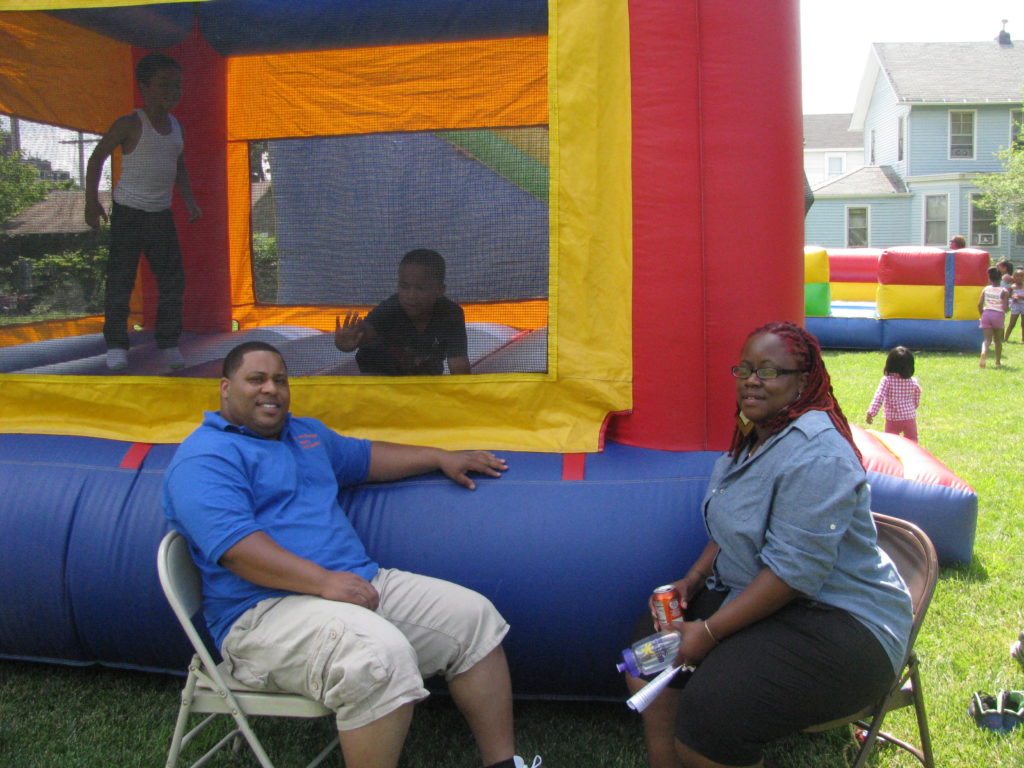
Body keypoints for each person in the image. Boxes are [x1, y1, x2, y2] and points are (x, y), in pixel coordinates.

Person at [162, 341, 539, 768]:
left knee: (473, 618)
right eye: (257, 379)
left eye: (280, 380)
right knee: (376, 656)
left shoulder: (305, 435)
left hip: (353, 586)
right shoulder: (204, 457)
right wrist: (324, 582)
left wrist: (439, 457)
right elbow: (236, 551)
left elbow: (366, 457)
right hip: (262, 614)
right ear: (226, 388)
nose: (272, 389)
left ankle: (504, 764)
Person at [623, 321, 913, 768]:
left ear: (804, 383)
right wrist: (693, 579)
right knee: (649, 649)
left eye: (771, 371)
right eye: (745, 369)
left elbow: (793, 573)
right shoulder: (757, 437)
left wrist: (710, 632)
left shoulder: (818, 455)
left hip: (841, 622)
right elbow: (733, 524)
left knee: (712, 714)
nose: (753, 380)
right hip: (772, 599)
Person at [85, 53, 201, 372]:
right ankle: (117, 344)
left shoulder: (177, 127)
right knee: (121, 281)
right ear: (144, 88)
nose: (172, 92)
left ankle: (168, 343)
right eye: (164, 85)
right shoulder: (130, 123)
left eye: (176, 86)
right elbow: (96, 159)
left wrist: (189, 200)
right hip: (129, 214)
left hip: (160, 215)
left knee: (172, 282)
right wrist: (91, 201)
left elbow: (178, 167)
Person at [334, 248, 471, 375]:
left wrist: (464, 394)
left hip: (423, 380)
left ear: (439, 290)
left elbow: (458, 363)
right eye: (404, 287)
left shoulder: (450, 314)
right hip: (381, 379)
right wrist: (346, 343)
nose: (410, 295)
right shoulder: (389, 310)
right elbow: (364, 332)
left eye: (420, 288)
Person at [865, 346, 921, 441]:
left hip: (893, 418)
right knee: (912, 440)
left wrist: (871, 412)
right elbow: (917, 395)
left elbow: (879, 397)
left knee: (890, 441)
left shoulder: (887, 381)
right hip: (910, 417)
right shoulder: (913, 381)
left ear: (889, 364)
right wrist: (912, 407)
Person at [978, 266, 1010, 368]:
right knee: (997, 341)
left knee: (987, 340)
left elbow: (979, 305)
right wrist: (1007, 309)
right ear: (1000, 278)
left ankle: (984, 352)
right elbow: (1005, 307)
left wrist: (982, 314)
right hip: (998, 315)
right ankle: (997, 362)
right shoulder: (1004, 291)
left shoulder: (986, 289)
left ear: (989, 279)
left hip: (986, 313)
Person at [1006, 269, 1024, 343]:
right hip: (1015, 306)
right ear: (1014, 277)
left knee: (1023, 324)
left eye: (1021, 276)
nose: (1019, 278)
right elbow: (1007, 296)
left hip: (1023, 306)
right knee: (1012, 323)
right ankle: (1005, 338)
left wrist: (1019, 296)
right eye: (1017, 276)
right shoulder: (1011, 287)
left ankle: (1023, 339)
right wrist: (1012, 298)